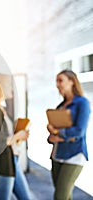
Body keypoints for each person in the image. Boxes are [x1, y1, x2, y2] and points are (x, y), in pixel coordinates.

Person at [0, 74, 32, 200]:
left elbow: (1, 134)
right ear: (0, 87)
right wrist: (18, 135)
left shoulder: (0, 108)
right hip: (3, 163)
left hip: (11, 160)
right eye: (8, 85)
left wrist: (14, 129)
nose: (11, 89)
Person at [47, 69, 91, 200]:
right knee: (65, 196)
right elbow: (57, 130)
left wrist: (57, 132)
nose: (57, 84)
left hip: (74, 155)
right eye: (56, 81)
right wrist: (51, 136)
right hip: (57, 154)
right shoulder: (60, 106)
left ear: (72, 82)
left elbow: (79, 131)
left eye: (60, 80)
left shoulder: (82, 103)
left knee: (60, 196)